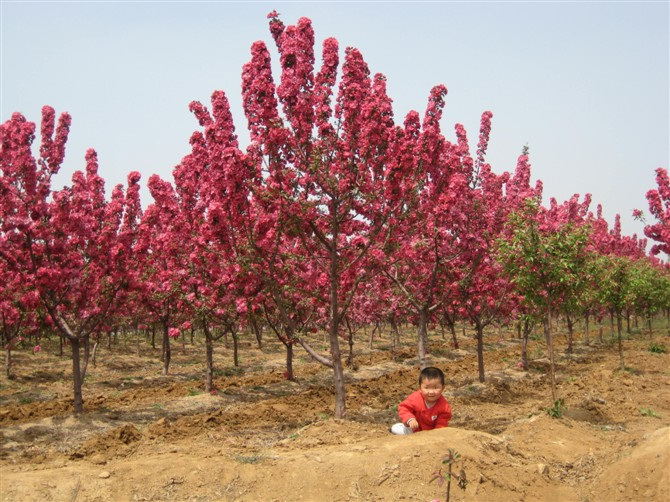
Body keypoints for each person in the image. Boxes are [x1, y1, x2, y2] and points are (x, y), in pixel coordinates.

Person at [390, 366, 452, 435]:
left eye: (436, 388)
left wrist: (437, 433)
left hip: (431, 432)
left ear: (443, 388)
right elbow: (404, 408)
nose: (431, 392)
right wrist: (410, 419)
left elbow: (442, 422)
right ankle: (399, 426)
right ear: (420, 388)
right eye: (427, 388)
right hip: (413, 429)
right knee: (398, 430)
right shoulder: (415, 398)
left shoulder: (444, 406)